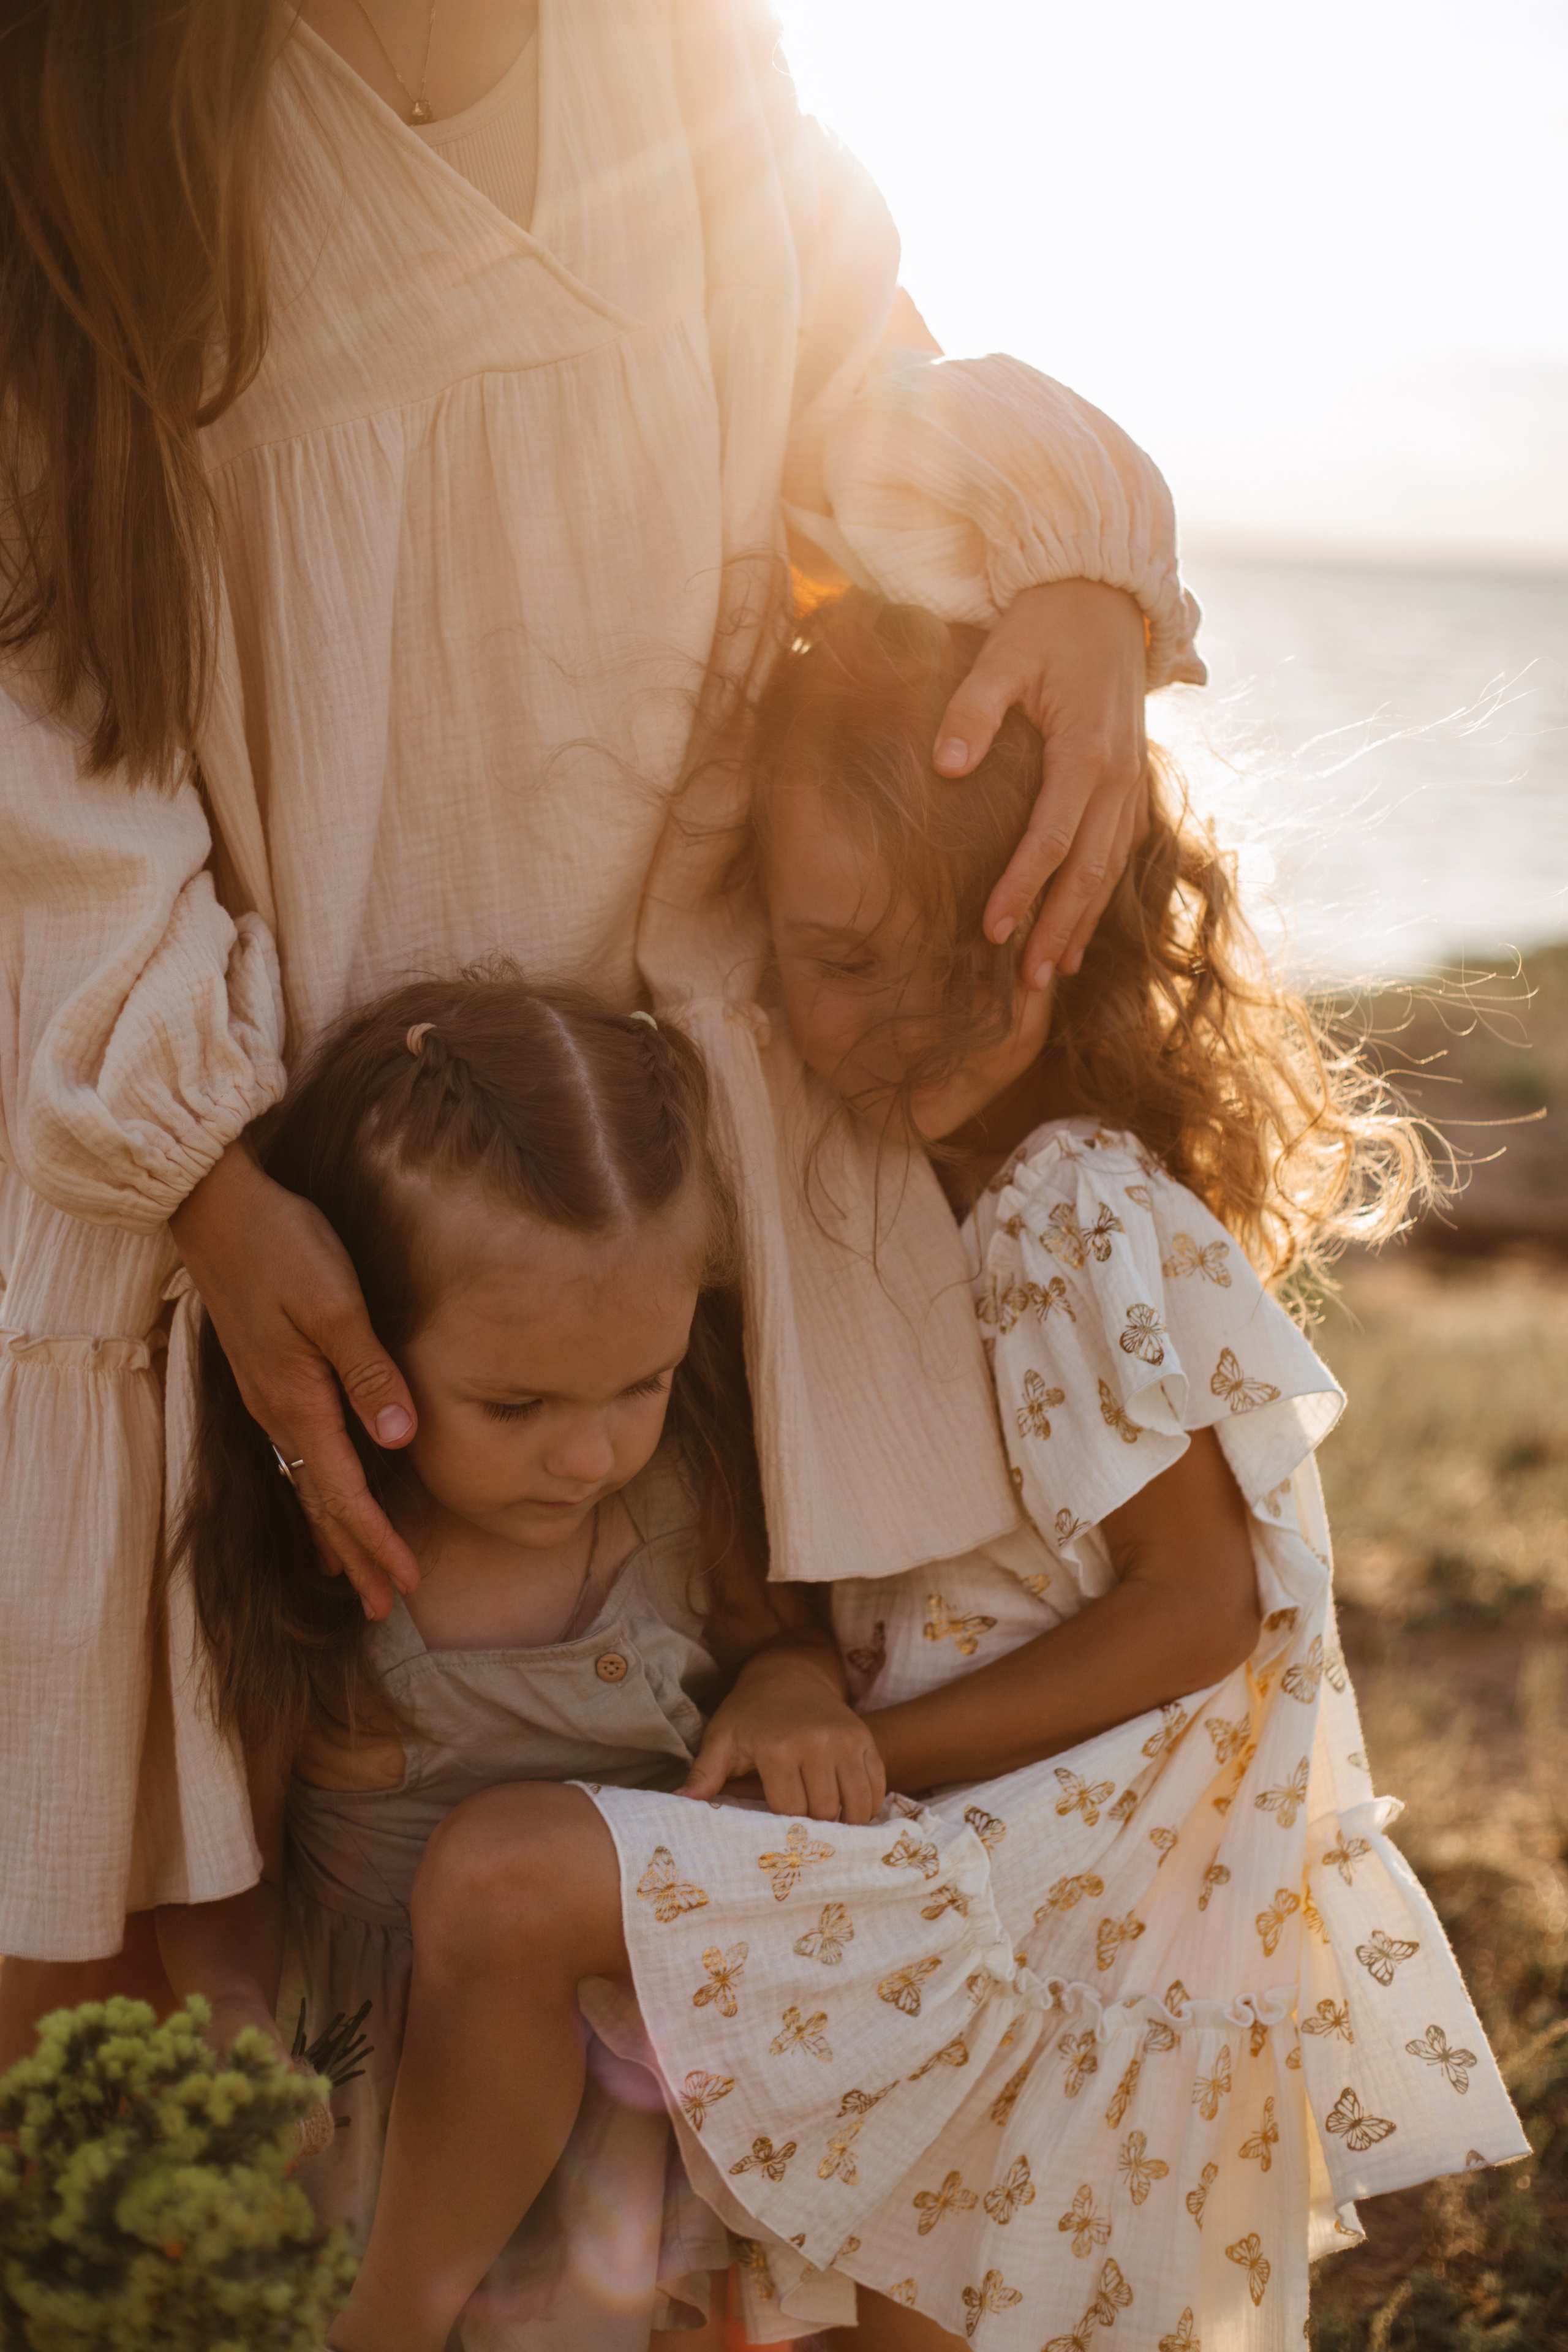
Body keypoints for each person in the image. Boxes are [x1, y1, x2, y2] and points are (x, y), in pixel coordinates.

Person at [0, 0, 1204, 2054]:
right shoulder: (80, 109)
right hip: (211, 1145)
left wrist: (1070, 565)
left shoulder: (684, 58)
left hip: (662, 1194)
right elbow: (33, 701)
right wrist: (196, 1171)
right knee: (151, 1996)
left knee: (649, 1939)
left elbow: (873, 396)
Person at [371, 594, 1526, 2352]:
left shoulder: (1064, 1201)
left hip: (1050, 1889)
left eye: (948, 949)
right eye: (828, 961)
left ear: (1064, 922)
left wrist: (860, 1753)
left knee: (504, 1885)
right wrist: (798, 1676)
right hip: (992, 1872)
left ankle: (354, 2320)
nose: (884, 1021)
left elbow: (1199, 1607)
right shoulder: (917, 1186)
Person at [158, 970, 884, 2350]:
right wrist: (231, 2011)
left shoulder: (677, 1496)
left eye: (641, 1382)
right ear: (362, 1335)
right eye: (517, 1402)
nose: (589, 1451)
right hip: (384, 2095)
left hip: (627, 2087)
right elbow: (219, 1860)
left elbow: (769, 1644)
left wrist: (789, 1684)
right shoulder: (305, 1565)